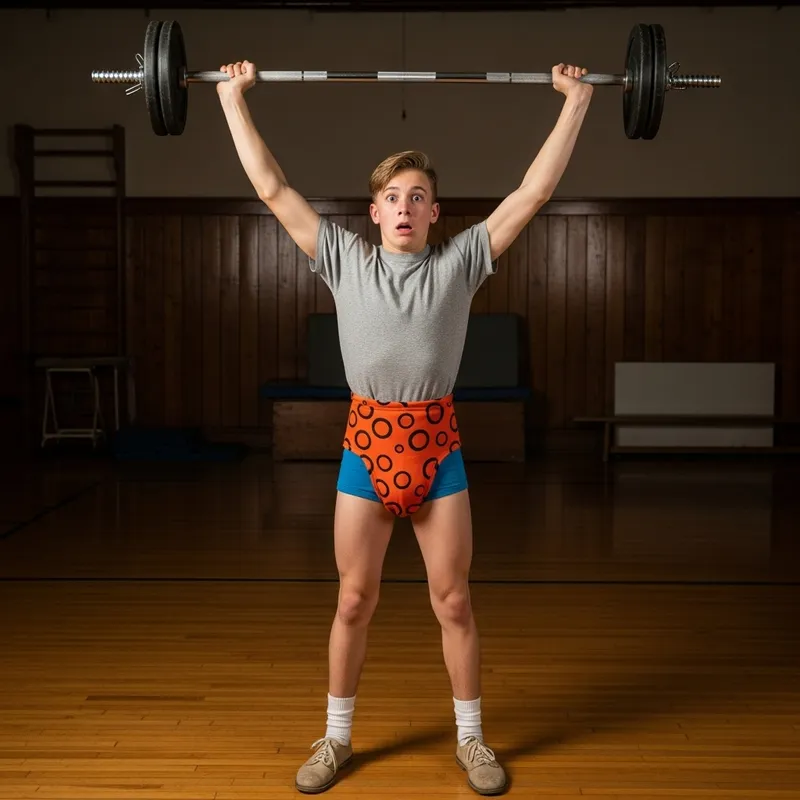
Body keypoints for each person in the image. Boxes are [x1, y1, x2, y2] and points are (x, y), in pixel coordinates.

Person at [217, 58, 593, 795]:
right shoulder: (344, 260)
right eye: (392, 196)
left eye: (417, 196)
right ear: (375, 213)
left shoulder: (459, 264)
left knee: (453, 601)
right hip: (366, 448)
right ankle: (335, 739)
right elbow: (271, 188)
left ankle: (472, 741)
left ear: (433, 215)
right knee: (354, 600)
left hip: (438, 450)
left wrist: (575, 101)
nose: (403, 206)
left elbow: (535, 191)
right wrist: (232, 97)